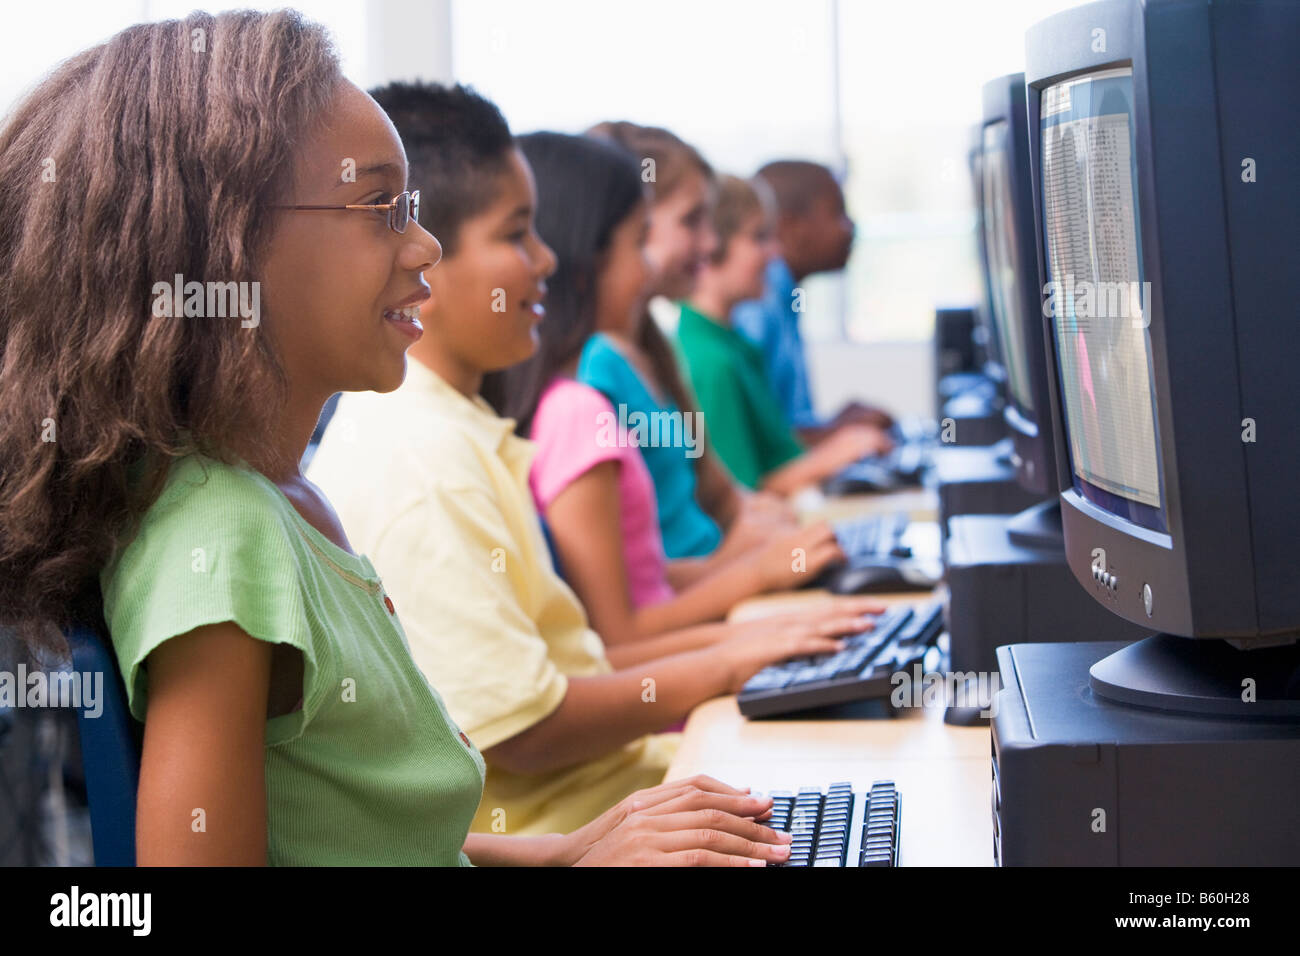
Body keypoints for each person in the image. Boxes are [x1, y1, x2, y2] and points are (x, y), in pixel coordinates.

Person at [0, 13, 810, 866]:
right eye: (380, 206)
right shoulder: (219, 537)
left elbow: (386, 845)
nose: (423, 244)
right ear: (225, 244)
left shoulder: (282, 502)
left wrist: (570, 854)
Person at [308, 88, 878, 838]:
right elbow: (525, 727)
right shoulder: (424, 459)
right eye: (517, 236)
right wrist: (735, 656)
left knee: (879, 780)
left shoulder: (459, 426)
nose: (546, 259)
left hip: (624, 792)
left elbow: (573, 662)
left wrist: (748, 643)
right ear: (427, 260)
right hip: (576, 823)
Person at [483, 130, 873, 645]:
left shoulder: (635, 361)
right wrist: (754, 584)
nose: (708, 243)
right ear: (590, 257)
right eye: (639, 239)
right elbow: (621, 630)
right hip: (687, 636)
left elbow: (651, 575)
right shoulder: (584, 398)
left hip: (700, 612)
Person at [583, 122, 798, 562]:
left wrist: (779, 531)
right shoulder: (594, 373)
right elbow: (642, 584)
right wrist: (752, 563)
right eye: (691, 220)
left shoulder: (653, 351)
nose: (711, 242)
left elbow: (722, 496)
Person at [678, 175, 891, 493]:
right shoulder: (708, 363)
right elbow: (743, 496)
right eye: (759, 238)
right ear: (711, 246)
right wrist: (840, 451)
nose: (774, 252)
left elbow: (775, 458)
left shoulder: (736, 346)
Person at [732, 160, 894, 445]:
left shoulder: (787, 294)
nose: (850, 228)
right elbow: (757, 444)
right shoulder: (757, 302)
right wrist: (838, 434)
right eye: (838, 212)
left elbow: (783, 422)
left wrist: (832, 424)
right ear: (792, 227)